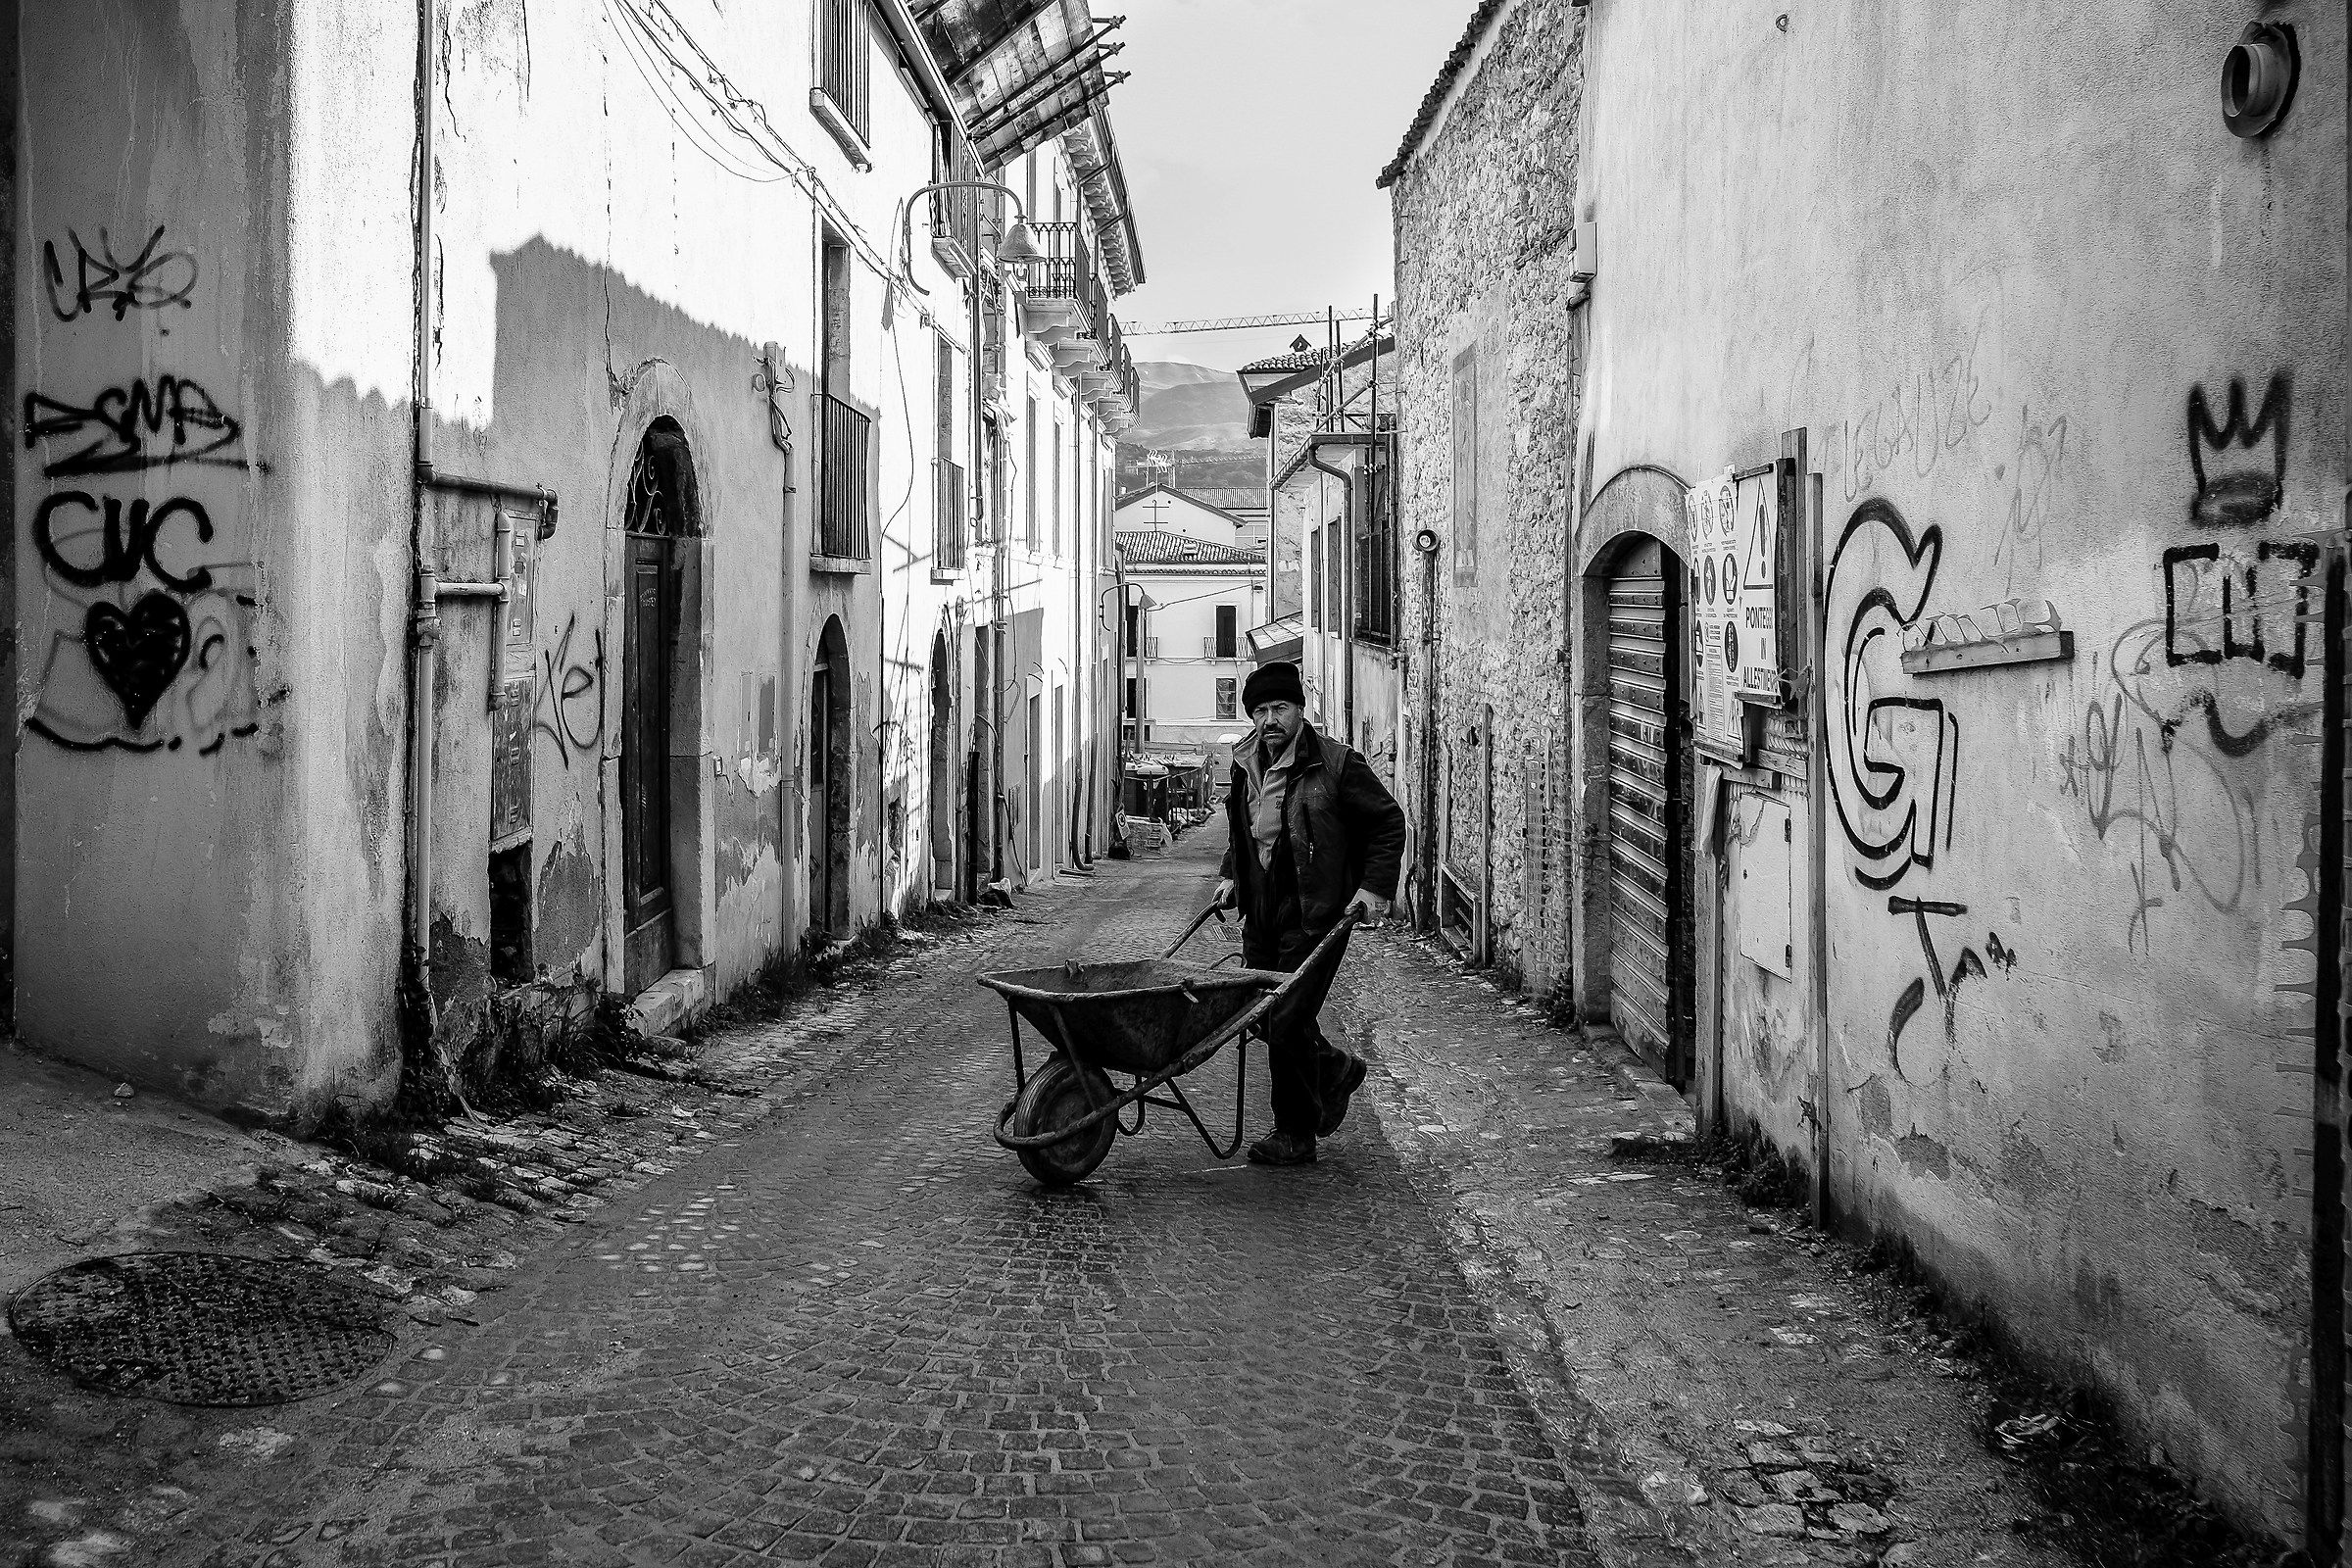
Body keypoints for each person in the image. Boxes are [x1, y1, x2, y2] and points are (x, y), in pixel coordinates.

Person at [1211, 662, 1406, 1165]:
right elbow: (1242, 828)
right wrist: (1232, 876)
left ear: (1300, 710)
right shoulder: (1243, 764)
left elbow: (1388, 823)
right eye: (1260, 710)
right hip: (1262, 909)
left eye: (1280, 708)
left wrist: (1372, 890)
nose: (1269, 719)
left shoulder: (1337, 764)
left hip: (1315, 909)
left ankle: (1295, 1134)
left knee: (1285, 1017)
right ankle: (1335, 1069)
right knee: (1256, 1010)